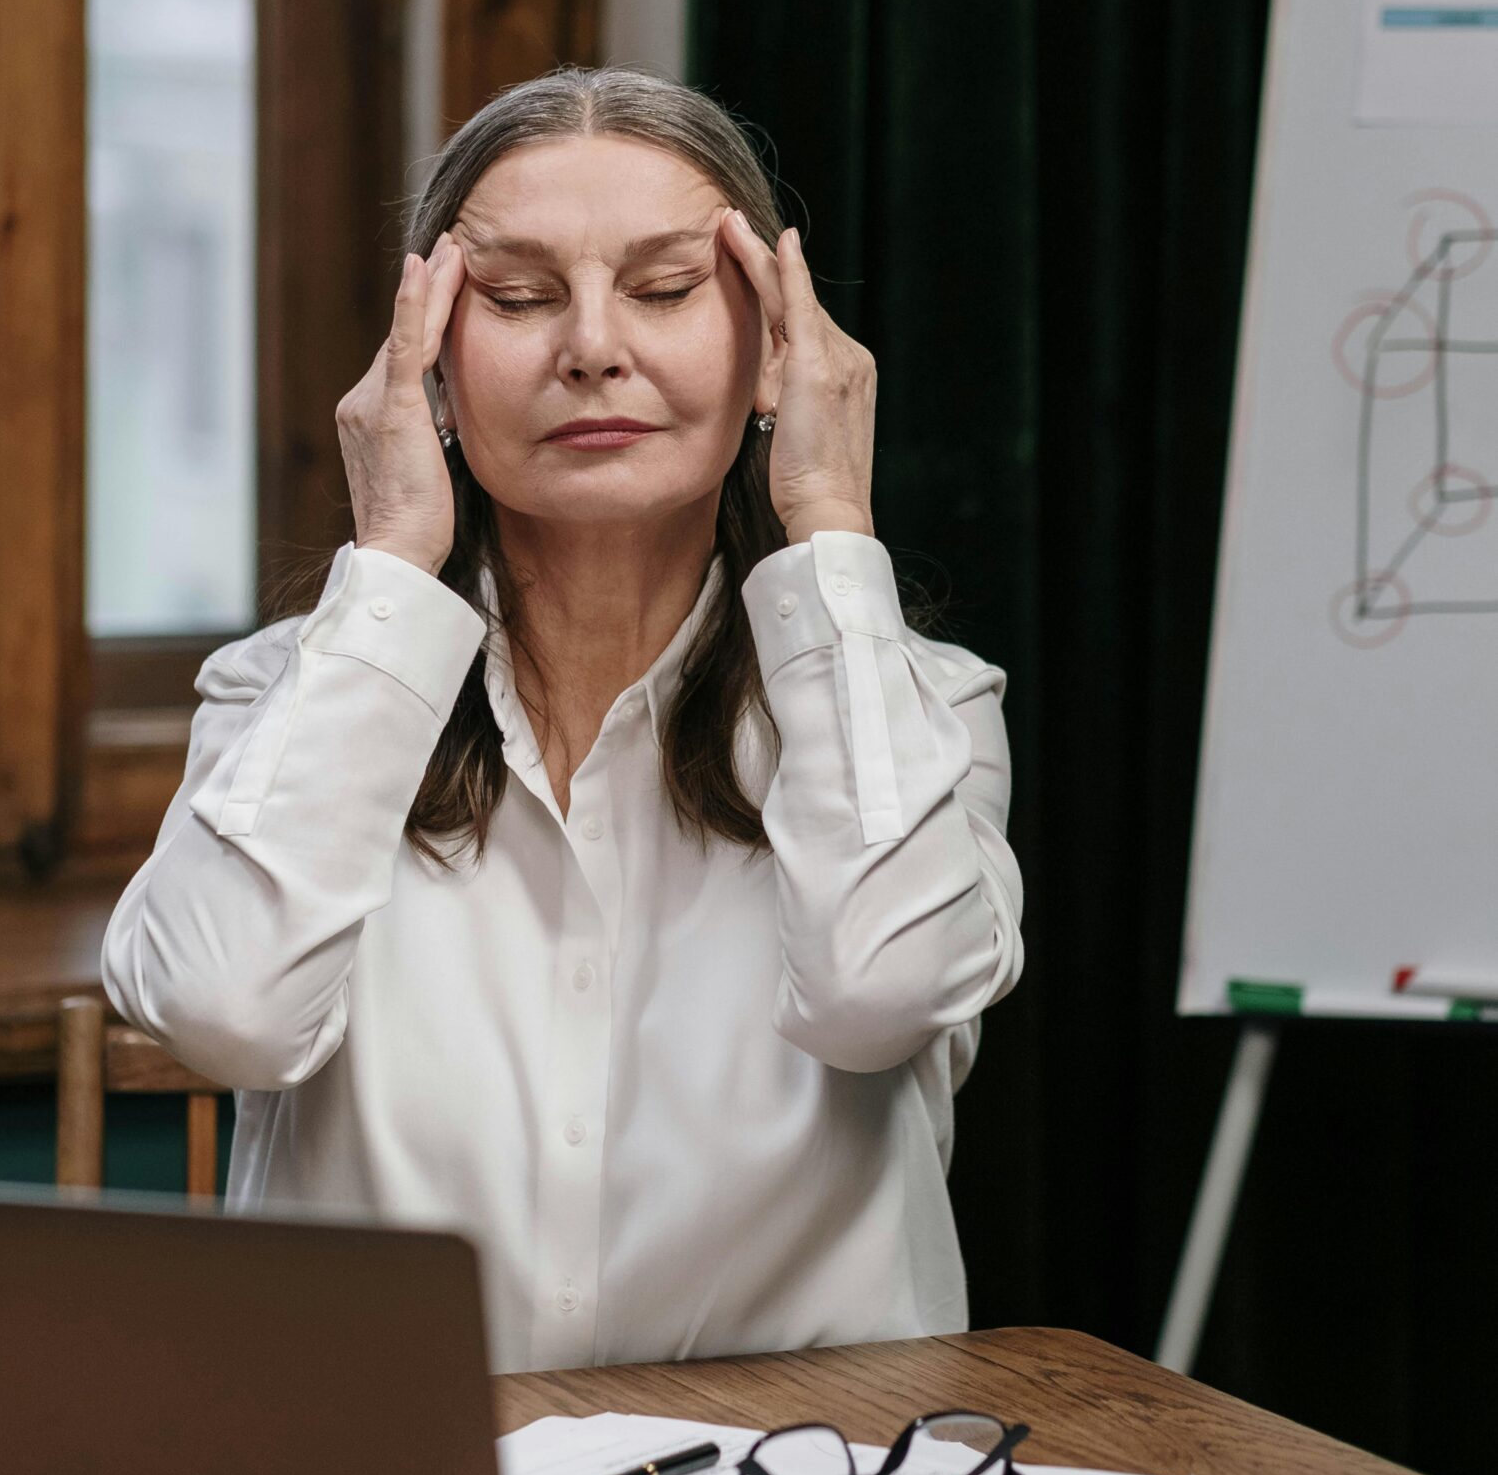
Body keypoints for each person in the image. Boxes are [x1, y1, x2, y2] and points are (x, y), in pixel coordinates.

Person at [102, 68, 1023, 1370]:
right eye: (521, 298)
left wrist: (827, 519)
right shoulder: (284, 694)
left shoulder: (921, 710)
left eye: (661, 290)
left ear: (775, 350)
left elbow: (884, 990)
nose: (592, 347)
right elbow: (224, 1015)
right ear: (426, 366)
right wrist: (392, 561)